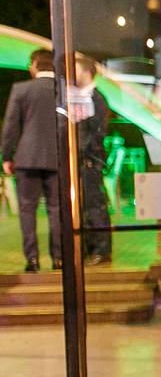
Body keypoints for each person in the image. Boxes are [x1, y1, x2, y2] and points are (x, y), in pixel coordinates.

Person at [2, 49, 62, 272]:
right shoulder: (62, 90)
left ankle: (33, 259)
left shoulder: (21, 89)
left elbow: (10, 125)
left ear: (35, 64)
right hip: (57, 158)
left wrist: (6, 157)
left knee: (27, 209)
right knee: (56, 209)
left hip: (26, 158)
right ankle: (59, 258)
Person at [70, 55, 112, 265]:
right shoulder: (79, 96)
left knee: (94, 203)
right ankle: (89, 248)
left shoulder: (97, 98)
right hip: (82, 159)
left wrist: (86, 152)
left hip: (89, 160)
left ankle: (101, 249)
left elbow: (98, 131)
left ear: (86, 73)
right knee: (85, 205)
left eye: (76, 70)